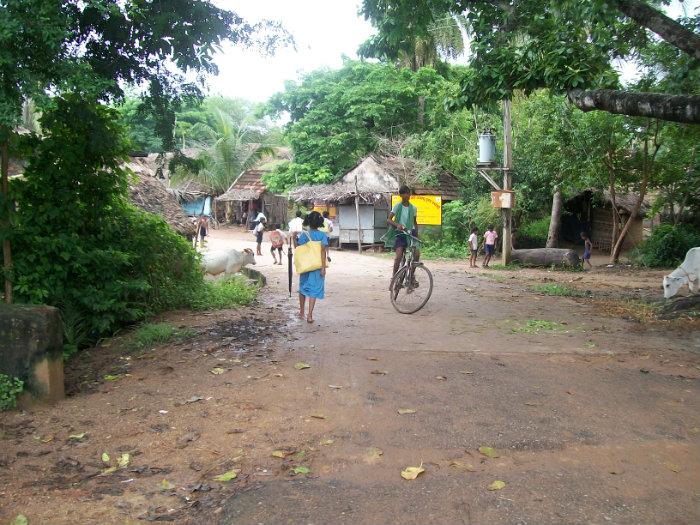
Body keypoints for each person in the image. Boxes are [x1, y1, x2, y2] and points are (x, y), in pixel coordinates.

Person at [294, 211, 328, 323]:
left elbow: (298, 248)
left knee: (303, 288)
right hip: (317, 266)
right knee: (313, 290)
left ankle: (301, 312)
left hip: (305, 266)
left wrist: (294, 238)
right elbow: (323, 252)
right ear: (320, 222)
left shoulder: (305, 234)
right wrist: (323, 268)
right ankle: (310, 315)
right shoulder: (323, 235)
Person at [387, 185, 419, 281]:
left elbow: (414, 222)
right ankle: (394, 277)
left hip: (411, 233)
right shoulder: (397, 206)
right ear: (401, 195)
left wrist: (417, 234)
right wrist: (397, 225)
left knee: (416, 255)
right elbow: (389, 219)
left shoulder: (413, 208)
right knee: (399, 256)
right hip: (401, 233)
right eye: (404, 193)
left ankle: (411, 277)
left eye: (408, 193)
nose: (407, 195)